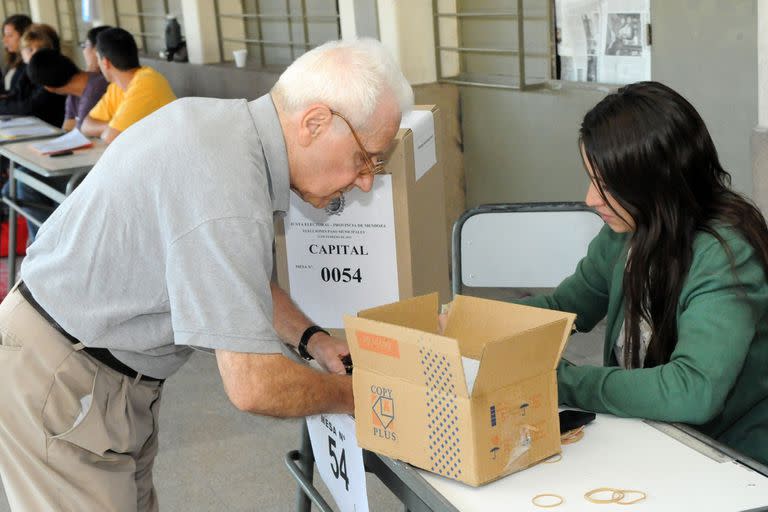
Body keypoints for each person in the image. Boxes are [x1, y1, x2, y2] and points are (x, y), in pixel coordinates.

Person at [0, 37, 412, 510]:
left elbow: (235, 277)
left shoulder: (226, 132)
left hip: (91, 373)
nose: (365, 180)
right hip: (62, 380)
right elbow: (254, 385)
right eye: (366, 158)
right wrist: (357, 396)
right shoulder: (227, 184)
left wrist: (312, 339)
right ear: (315, 123)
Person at [519, 81, 768, 465]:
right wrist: (478, 324)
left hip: (733, 461)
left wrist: (563, 382)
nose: (590, 199)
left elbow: (693, 390)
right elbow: (566, 307)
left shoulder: (727, 255)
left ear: (654, 186)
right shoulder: (632, 227)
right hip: (659, 436)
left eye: (606, 186)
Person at [81, 27, 175, 143]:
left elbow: (110, 137)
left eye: (98, 59)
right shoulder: (116, 86)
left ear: (105, 62)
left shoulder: (147, 81)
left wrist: (112, 129)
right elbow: (86, 125)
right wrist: (111, 127)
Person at [27, 48, 108, 131]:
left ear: (48, 88)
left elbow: (82, 134)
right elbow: (67, 130)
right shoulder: (73, 96)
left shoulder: (95, 89)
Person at [0, 14, 31, 94]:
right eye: (4, 35)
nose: (4, 40)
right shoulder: (11, 61)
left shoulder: (30, 63)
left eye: (10, 36)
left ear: (24, 36)